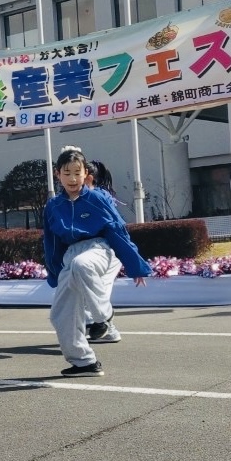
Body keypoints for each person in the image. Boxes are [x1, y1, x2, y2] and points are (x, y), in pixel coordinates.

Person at [44, 147, 151, 377]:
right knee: (60, 314)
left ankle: (103, 316)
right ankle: (84, 363)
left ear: (86, 175)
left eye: (77, 172)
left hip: (98, 248)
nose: (72, 179)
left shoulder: (97, 198)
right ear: (58, 174)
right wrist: (54, 272)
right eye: (67, 173)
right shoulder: (53, 206)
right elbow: (51, 241)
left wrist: (134, 264)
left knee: (83, 264)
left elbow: (117, 231)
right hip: (69, 257)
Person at [83, 159, 125, 345]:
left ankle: (105, 327)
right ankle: (101, 327)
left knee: (97, 291)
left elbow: (117, 227)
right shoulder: (80, 198)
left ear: (89, 178)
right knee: (95, 291)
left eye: (77, 174)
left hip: (107, 252)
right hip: (97, 252)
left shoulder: (98, 198)